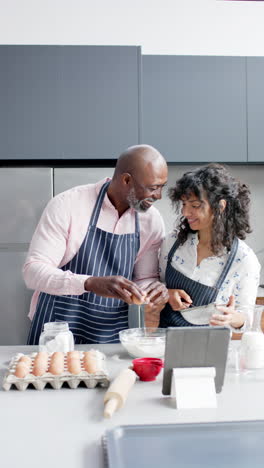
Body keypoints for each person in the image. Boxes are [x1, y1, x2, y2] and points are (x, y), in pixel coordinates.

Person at [23, 144, 169, 344]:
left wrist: (153, 290)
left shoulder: (151, 221)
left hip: (109, 332)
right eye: (153, 188)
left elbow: (144, 277)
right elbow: (32, 272)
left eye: (162, 187)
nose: (159, 196)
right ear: (126, 180)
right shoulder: (69, 205)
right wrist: (90, 283)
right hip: (58, 329)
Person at [149, 163, 260, 331]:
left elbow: (247, 319)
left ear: (220, 206)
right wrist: (167, 294)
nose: (186, 213)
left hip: (212, 349)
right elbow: (157, 284)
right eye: (184, 204)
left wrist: (234, 318)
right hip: (164, 342)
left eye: (195, 205)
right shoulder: (172, 242)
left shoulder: (243, 259)